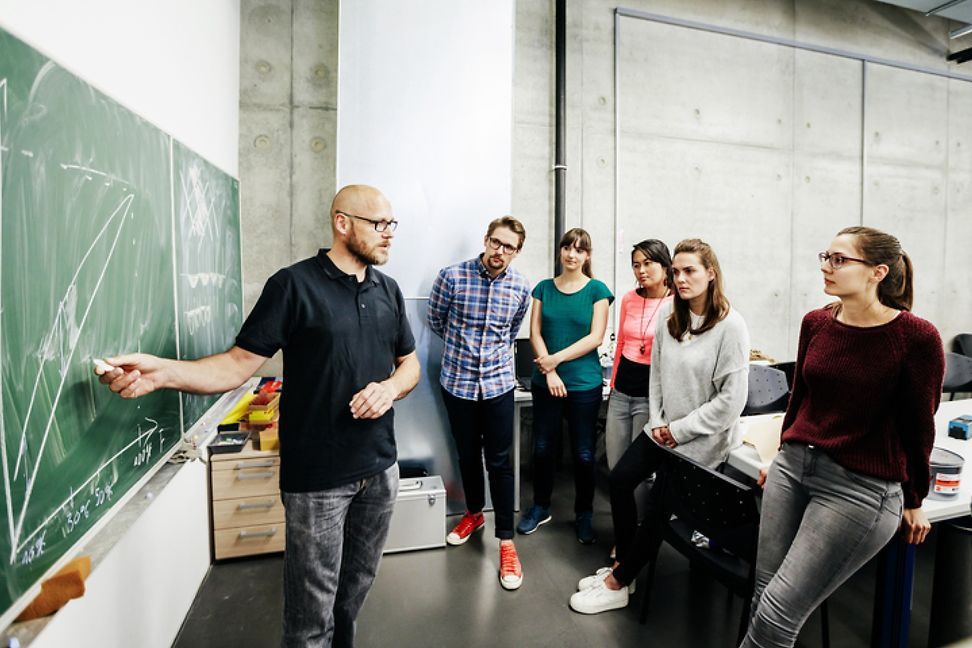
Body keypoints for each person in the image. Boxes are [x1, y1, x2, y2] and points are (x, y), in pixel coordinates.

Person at [95, 185, 420, 648]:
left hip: (381, 469)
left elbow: (410, 364)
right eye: (378, 224)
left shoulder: (388, 289)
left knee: (353, 599)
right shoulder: (293, 285)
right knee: (311, 619)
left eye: (392, 224)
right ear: (342, 222)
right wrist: (162, 373)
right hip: (317, 481)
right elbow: (235, 365)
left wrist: (389, 388)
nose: (389, 234)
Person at [739, 227, 945, 648]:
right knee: (764, 595)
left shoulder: (916, 337)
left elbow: (919, 427)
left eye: (839, 260)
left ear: (877, 272)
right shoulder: (816, 322)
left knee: (777, 613)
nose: (825, 267)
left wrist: (915, 498)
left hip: (859, 489)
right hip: (793, 468)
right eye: (825, 256)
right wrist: (781, 454)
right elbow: (801, 400)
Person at [570, 238, 750, 614]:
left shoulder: (730, 326)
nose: (681, 279)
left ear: (710, 274)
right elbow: (658, 378)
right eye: (677, 272)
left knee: (657, 504)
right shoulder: (671, 317)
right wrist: (659, 422)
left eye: (690, 271)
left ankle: (619, 582)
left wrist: (679, 430)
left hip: (700, 440)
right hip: (663, 430)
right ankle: (624, 566)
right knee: (619, 481)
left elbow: (730, 402)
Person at [427, 216, 531, 590]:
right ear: (486, 240)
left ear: (517, 252)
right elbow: (435, 320)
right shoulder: (452, 277)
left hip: (499, 385)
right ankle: (474, 514)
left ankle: (506, 541)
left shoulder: (521, 287)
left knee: (500, 462)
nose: (500, 252)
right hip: (458, 384)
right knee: (468, 456)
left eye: (509, 247)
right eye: (496, 243)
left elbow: (512, 329)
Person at [517, 228, 613, 544]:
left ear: (587, 255)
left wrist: (554, 361)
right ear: (560, 252)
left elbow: (595, 337)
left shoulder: (598, 290)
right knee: (543, 448)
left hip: (584, 384)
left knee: (584, 453)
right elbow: (535, 333)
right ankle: (540, 507)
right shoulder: (543, 289)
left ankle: (584, 513)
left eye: (579, 249)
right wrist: (550, 372)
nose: (572, 254)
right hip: (546, 383)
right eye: (567, 248)